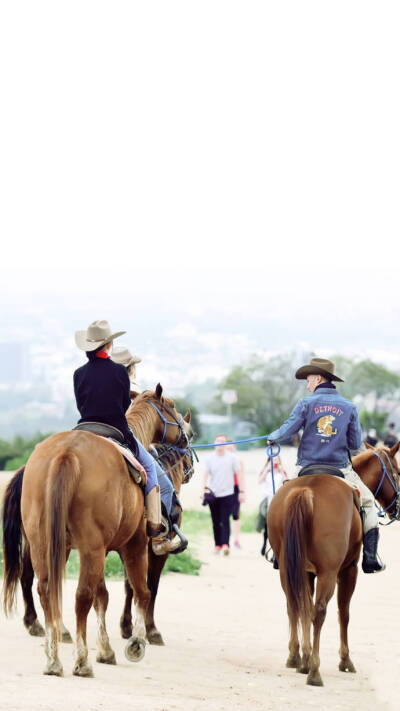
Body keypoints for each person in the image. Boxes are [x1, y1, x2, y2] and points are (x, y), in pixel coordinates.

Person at [264, 357, 385, 574]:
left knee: (280, 498)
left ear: (318, 378)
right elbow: (356, 446)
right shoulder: (349, 407)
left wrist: (271, 437)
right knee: (368, 504)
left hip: (305, 467)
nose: (307, 384)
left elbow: (287, 431)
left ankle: (276, 552)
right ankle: (370, 557)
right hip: (339, 469)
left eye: (308, 380)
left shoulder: (305, 403)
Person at [73, 320, 176, 552]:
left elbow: (81, 406)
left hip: (84, 430)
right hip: (115, 431)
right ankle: (155, 528)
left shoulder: (78, 374)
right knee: (149, 468)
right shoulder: (119, 372)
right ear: (108, 345)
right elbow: (122, 407)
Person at [111, 344, 186, 555]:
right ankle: (159, 536)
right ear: (131, 368)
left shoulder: (91, 378)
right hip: (122, 436)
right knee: (163, 483)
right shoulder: (130, 391)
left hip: (88, 431)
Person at [202, 434, 242, 555]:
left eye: (223, 441)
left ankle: (225, 544)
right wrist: (203, 490)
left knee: (225, 520)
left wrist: (241, 491)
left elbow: (239, 474)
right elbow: (205, 475)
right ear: (214, 443)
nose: (220, 443)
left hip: (228, 493)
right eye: (218, 441)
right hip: (213, 494)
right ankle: (217, 545)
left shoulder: (232, 458)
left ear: (225, 444)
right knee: (215, 520)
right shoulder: (209, 458)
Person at [227, 444, 246, 549]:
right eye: (228, 449)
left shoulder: (239, 461)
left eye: (231, 449)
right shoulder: (222, 461)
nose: (230, 451)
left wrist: (242, 492)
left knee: (236, 515)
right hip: (224, 489)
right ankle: (224, 541)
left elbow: (242, 477)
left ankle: (236, 540)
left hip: (236, 489)